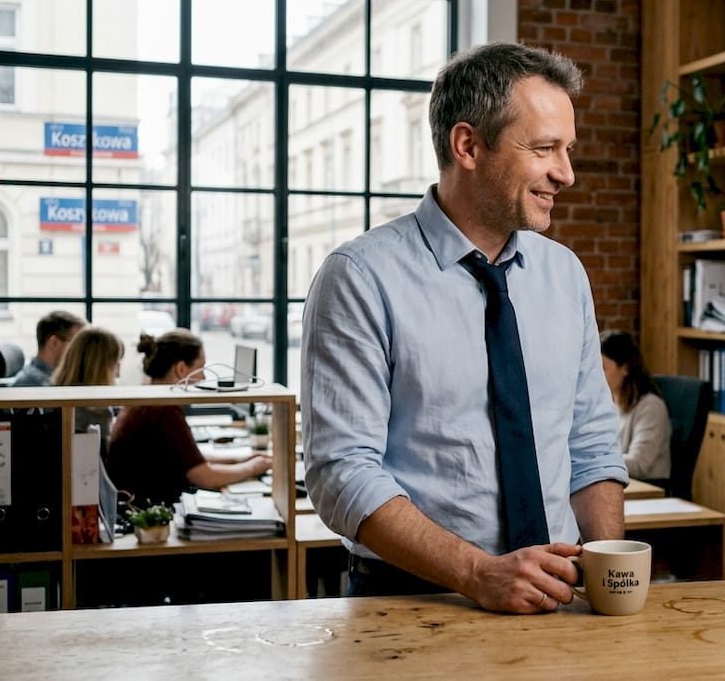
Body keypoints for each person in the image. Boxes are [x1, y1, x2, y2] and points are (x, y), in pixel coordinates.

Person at [302, 42, 627, 614]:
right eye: (544, 149)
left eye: (567, 149)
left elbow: (591, 443)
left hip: (557, 596)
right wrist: (479, 574)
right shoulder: (359, 276)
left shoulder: (565, 275)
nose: (567, 174)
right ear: (468, 145)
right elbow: (341, 472)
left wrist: (607, 568)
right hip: (412, 602)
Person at [106, 329, 272, 508]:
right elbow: (205, 477)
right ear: (181, 369)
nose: (204, 377)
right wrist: (255, 467)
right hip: (148, 512)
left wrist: (239, 459)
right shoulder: (162, 409)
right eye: (201, 368)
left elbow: (188, 458)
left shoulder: (147, 397)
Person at [600, 330, 671, 481]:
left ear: (625, 368)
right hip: (620, 483)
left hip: (649, 491)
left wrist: (595, 462)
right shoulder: (609, 404)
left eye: (603, 368)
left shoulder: (651, 407)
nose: (597, 375)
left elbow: (639, 463)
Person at [50, 325, 124, 452]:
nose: (118, 373)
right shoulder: (95, 410)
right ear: (99, 367)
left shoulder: (54, 397)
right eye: (115, 364)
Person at [10, 310, 86, 386]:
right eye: (76, 343)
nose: (80, 350)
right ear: (54, 342)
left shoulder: (58, 379)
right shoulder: (32, 384)